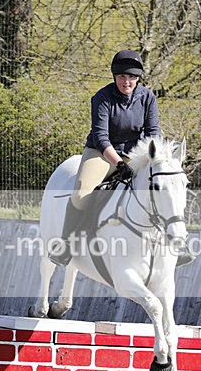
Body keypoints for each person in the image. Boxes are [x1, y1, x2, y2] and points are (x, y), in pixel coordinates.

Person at [50, 49, 192, 267]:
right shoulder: (102, 97)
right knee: (81, 193)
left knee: (163, 189)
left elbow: (153, 133)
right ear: (115, 77)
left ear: (138, 78)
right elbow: (101, 137)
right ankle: (65, 245)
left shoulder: (147, 97)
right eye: (122, 77)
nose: (127, 81)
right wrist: (118, 163)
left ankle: (176, 244)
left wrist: (153, 161)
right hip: (102, 153)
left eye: (132, 77)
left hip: (136, 155)